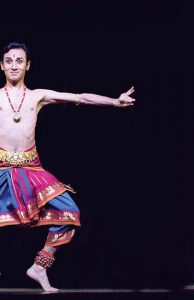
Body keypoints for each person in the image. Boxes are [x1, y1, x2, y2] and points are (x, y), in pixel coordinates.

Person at [0, 42, 135, 292]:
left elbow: (80, 98)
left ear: (28, 66)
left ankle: (39, 267)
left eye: (19, 60)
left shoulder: (37, 96)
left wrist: (115, 102)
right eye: (9, 60)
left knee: (70, 211)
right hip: (2, 168)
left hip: (32, 170)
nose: (14, 65)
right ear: (1, 65)